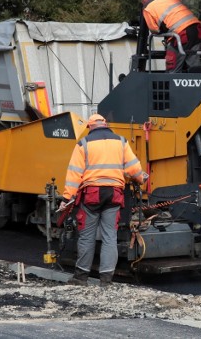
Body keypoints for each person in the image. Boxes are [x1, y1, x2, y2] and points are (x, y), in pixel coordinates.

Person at [60, 114, 147, 286]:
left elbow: (74, 174)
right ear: (105, 125)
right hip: (114, 193)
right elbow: (134, 167)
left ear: (90, 127)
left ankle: (81, 277)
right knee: (110, 236)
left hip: (92, 194)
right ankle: (106, 280)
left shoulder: (83, 143)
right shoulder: (121, 142)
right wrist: (141, 178)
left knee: (86, 236)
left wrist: (66, 197)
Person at [137, 0, 201, 72]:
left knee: (172, 68)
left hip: (181, 35)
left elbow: (154, 30)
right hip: (195, 29)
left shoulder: (148, 8)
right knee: (194, 65)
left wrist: (163, 32)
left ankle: (171, 83)